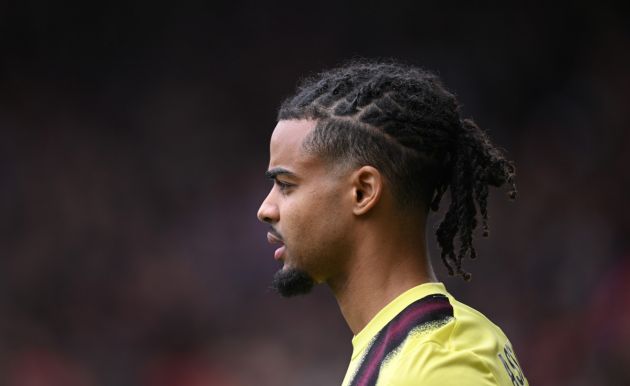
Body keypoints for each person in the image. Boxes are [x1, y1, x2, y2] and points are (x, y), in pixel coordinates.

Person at [257, 59, 528, 386]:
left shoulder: (435, 366)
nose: (266, 209)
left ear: (362, 192)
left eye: (286, 185)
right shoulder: (427, 345)